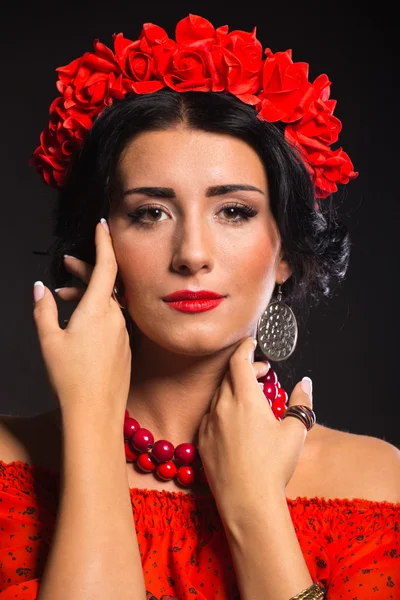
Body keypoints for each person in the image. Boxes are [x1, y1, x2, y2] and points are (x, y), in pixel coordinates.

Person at [0, 13, 399, 600]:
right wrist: (90, 420)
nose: (191, 254)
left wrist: (255, 511)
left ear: (285, 251)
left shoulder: (380, 485)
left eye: (233, 211)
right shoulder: (8, 471)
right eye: (150, 213)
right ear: (97, 243)